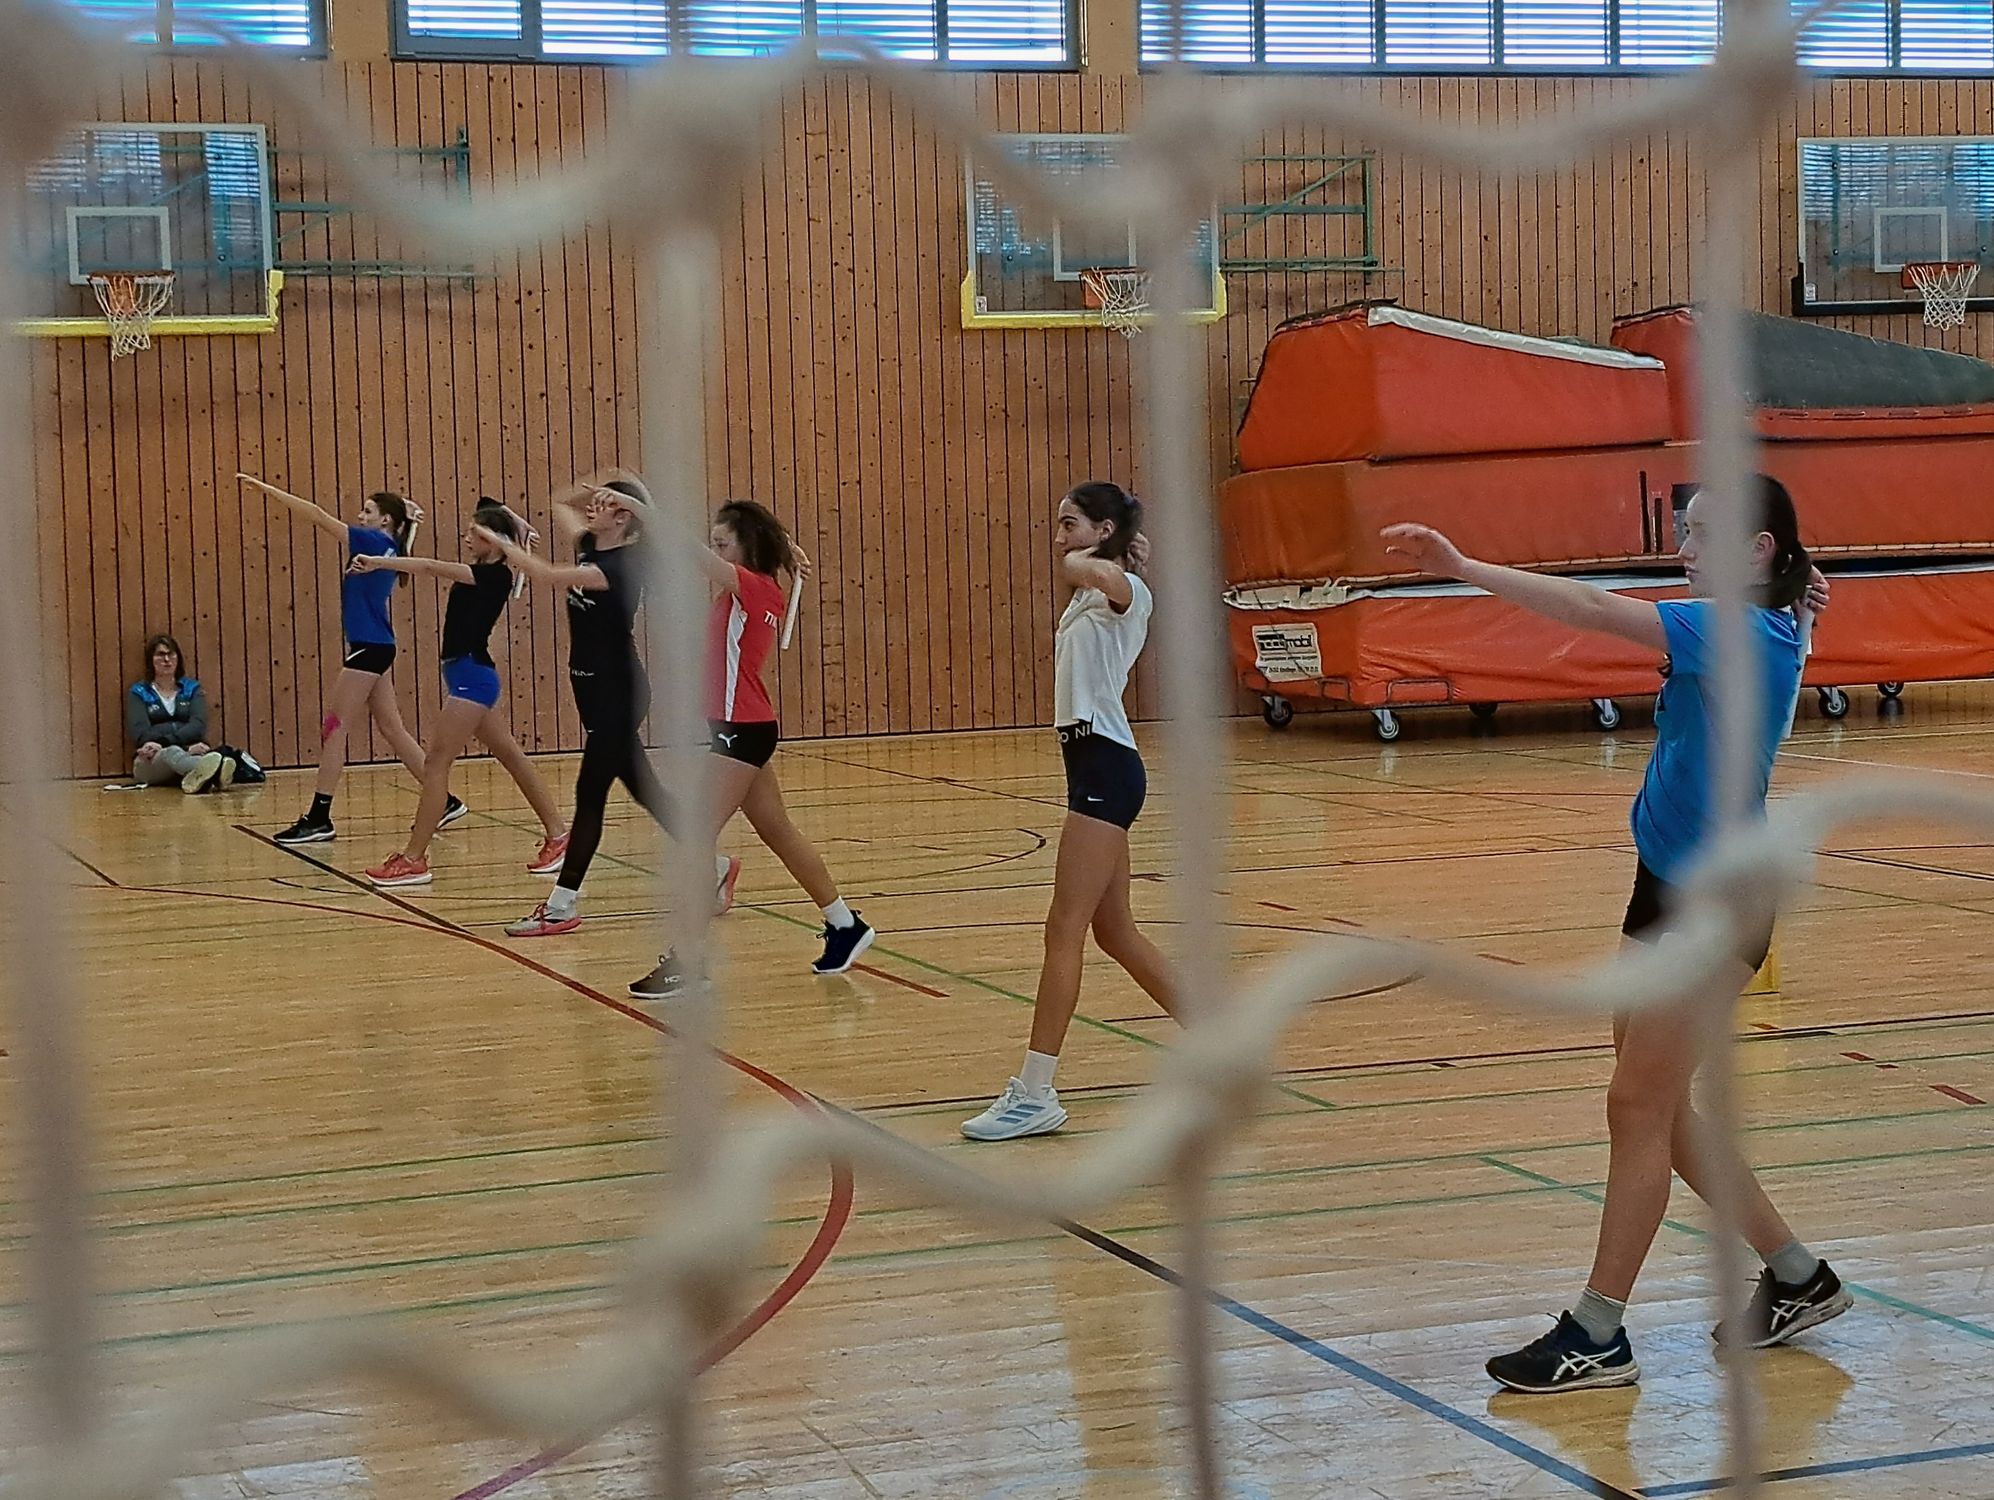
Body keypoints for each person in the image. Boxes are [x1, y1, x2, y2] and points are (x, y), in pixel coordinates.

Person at [1380, 476, 1849, 1394]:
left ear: (1757, 549)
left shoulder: (1740, 630)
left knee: (1637, 1107)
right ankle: (1798, 1276)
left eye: (1703, 534)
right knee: (1657, 1108)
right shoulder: (1770, 617)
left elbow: (1594, 609)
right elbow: (1798, 593)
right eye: (1685, 531)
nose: (1685, 549)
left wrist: (1463, 566)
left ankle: (1598, 1332)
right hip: (1663, 885)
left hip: (1716, 902)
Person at [962, 482, 1179, 1142]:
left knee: (1063, 929)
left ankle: (1034, 1092)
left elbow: (1092, 572)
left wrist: (1106, 557)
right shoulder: (1095, 591)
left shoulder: (1123, 589)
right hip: (1090, 766)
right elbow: (1083, 572)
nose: (1059, 536)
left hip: (1107, 770)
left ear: (1104, 529)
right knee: (1115, 932)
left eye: (1070, 523)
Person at [601, 499, 874, 998]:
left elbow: (690, 553)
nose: (715, 549)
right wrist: (784, 545)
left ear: (745, 547)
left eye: (723, 542)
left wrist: (641, 507)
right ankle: (844, 923)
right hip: (742, 728)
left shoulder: (751, 586)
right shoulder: (754, 587)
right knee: (778, 831)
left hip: (740, 733)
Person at [486, 473, 735, 938]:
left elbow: (547, 576)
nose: (592, 509)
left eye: (605, 505)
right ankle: (714, 863)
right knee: (648, 792)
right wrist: (601, 487)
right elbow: (559, 500)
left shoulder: (621, 567)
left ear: (624, 519)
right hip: (591, 690)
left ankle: (561, 905)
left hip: (620, 692)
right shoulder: (588, 546)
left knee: (590, 795)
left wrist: (499, 541)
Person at [237, 475, 465, 845]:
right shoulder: (391, 545)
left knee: (334, 728)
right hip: (377, 645)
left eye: (368, 511)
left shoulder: (373, 542)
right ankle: (444, 800)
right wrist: (406, 511)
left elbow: (316, 514)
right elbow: (402, 523)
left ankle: (319, 818)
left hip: (369, 648)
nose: (360, 516)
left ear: (385, 520)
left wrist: (267, 489)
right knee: (392, 729)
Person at [353, 500, 571, 887]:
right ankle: (559, 835)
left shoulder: (493, 576)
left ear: (493, 541)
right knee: (511, 756)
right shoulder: (488, 571)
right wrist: (513, 522)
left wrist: (379, 562)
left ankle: (414, 859)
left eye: (475, 532)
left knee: (436, 765)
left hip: (473, 678)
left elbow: (429, 566)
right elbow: (492, 507)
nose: (467, 536)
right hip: (466, 676)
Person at [126, 633, 232, 793]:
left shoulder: (192, 688)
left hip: (190, 752)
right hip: (151, 760)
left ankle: (199, 775)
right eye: (160, 655)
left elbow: (198, 725)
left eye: (171, 654)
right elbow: (141, 733)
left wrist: (176, 745)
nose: (167, 660)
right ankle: (217, 773)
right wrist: (183, 747)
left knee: (196, 754)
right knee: (172, 752)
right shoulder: (139, 692)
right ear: (151, 660)